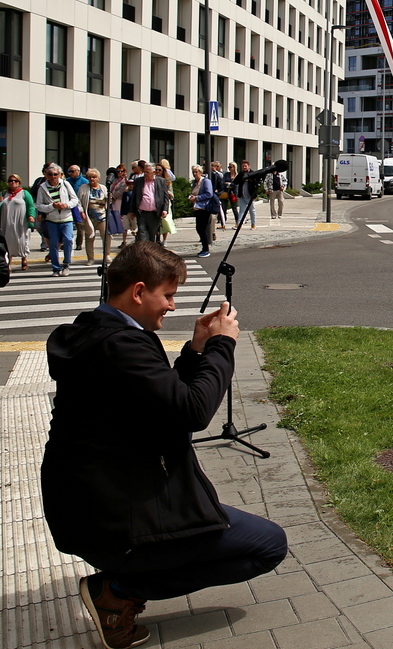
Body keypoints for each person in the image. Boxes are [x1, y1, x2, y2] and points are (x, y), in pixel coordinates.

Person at [41, 242, 288, 649]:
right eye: (168, 295)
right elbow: (192, 412)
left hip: (89, 507)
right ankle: (116, 591)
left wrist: (195, 350)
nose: (171, 307)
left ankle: (119, 585)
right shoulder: (121, 345)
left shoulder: (96, 331)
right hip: (114, 519)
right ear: (138, 292)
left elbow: (161, 399)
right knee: (268, 546)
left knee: (241, 533)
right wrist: (223, 346)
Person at [36, 164, 79, 276]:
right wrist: (52, 206)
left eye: (55, 174)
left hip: (66, 218)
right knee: (53, 244)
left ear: (60, 175)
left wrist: (66, 205)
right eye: (50, 174)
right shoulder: (42, 187)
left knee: (68, 240)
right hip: (52, 219)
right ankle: (56, 267)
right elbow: (39, 205)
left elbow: (75, 200)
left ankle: (66, 264)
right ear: (46, 175)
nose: (53, 177)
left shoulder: (65, 184)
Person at [2, 173, 36, 271]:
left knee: (22, 239)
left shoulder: (24, 193)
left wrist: (31, 216)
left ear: (19, 182)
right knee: (7, 240)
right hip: (7, 221)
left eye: (15, 181)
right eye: (10, 181)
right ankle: (9, 261)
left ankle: (24, 258)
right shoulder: (4, 193)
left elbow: (30, 205)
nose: (13, 183)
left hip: (20, 222)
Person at [132, 163, 170, 243]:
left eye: (147, 172)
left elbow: (165, 197)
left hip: (154, 214)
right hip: (141, 213)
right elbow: (134, 197)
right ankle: (143, 253)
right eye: (144, 172)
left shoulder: (161, 181)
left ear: (154, 172)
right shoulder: (138, 181)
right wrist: (131, 211)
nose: (145, 174)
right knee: (142, 235)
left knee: (152, 236)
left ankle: (150, 253)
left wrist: (165, 210)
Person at [79, 168, 109, 265]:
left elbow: (107, 200)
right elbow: (78, 201)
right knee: (89, 237)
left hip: (103, 216)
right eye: (90, 177)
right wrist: (81, 211)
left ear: (98, 178)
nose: (92, 179)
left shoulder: (103, 188)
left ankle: (106, 255)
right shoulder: (83, 188)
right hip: (89, 217)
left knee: (106, 237)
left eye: (94, 177)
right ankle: (90, 258)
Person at [188, 164, 218, 258]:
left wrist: (197, 198)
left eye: (196, 172)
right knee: (199, 228)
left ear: (200, 172)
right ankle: (204, 248)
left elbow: (209, 194)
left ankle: (206, 249)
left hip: (205, 208)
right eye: (193, 172)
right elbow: (193, 192)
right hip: (197, 207)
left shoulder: (205, 181)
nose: (194, 174)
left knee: (202, 229)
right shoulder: (194, 182)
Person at [108, 165, 130, 249]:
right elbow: (111, 188)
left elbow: (122, 190)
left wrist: (114, 196)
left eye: (121, 171)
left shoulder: (125, 180)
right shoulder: (115, 179)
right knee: (114, 214)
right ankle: (116, 228)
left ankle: (121, 230)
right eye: (118, 171)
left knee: (120, 216)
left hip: (120, 199)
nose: (119, 173)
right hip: (113, 199)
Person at [66, 164, 87, 251]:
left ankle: (79, 243)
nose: (70, 173)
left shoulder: (84, 181)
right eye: (69, 171)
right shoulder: (67, 181)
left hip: (79, 205)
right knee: (68, 225)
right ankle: (66, 242)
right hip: (68, 204)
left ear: (78, 171)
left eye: (72, 171)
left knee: (80, 226)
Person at [234, 161, 258, 229]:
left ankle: (253, 224)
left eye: (245, 166)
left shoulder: (253, 174)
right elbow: (236, 181)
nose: (244, 167)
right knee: (241, 210)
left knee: (252, 210)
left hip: (250, 196)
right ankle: (239, 224)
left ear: (248, 166)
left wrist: (254, 196)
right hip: (242, 196)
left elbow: (256, 185)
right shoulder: (240, 174)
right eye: (243, 166)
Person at [209, 161, 228, 231]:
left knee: (219, 208)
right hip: (210, 194)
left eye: (215, 166)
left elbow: (221, 183)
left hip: (215, 194)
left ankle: (223, 224)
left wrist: (217, 190)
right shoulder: (207, 174)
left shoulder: (217, 174)